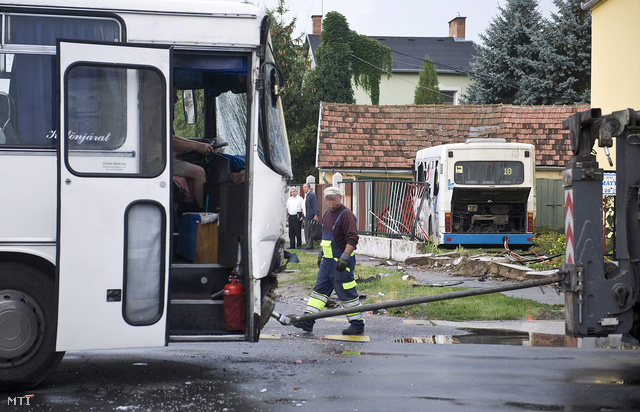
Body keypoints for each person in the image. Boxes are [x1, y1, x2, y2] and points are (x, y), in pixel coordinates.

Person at [293, 186, 364, 335]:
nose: (331, 200)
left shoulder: (347, 215)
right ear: (325, 200)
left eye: (334, 197)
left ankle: (357, 324)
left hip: (341, 263)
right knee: (318, 292)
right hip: (327, 263)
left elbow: (352, 239)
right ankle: (308, 321)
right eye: (328, 198)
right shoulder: (327, 215)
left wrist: (345, 257)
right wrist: (320, 254)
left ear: (340, 197)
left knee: (346, 294)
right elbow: (325, 239)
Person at [171, 87, 214, 209]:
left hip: (160, 156)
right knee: (199, 172)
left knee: (190, 177)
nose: (177, 98)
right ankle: (205, 212)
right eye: (174, 94)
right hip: (157, 161)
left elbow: (171, 137)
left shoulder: (162, 111)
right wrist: (196, 146)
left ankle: (187, 211)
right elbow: (169, 142)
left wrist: (196, 145)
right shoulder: (157, 113)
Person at [302, 183, 319, 249]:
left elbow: (315, 205)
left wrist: (316, 214)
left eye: (305, 187)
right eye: (303, 187)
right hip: (306, 216)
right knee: (306, 230)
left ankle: (309, 245)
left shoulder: (312, 195)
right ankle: (308, 244)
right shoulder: (306, 195)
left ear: (309, 187)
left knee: (309, 231)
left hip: (310, 216)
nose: (304, 189)